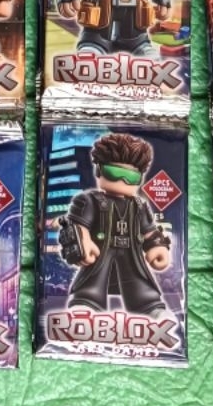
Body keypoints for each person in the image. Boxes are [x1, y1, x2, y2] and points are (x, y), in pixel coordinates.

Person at [63, 133, 171, 317]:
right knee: (92, 281)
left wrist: (157, 246)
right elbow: (79, 224)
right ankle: (86, 303)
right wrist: (83, 241)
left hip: (131, 253)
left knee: (140, 281)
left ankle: (150, 306)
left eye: (131, 177)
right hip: (101, 251)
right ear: (99, 171)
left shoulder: (139, 205)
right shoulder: (89, 200)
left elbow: (149, 231)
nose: (123, 181)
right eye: (114, 173)